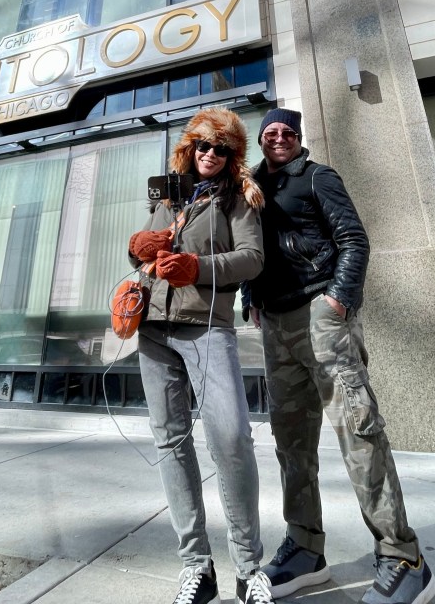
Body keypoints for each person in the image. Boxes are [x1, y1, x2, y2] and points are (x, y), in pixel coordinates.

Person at [245, 108, 435, 604]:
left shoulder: (317, 177)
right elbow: (253, 249)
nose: (281, 138)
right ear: (261, 140)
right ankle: (306, 549)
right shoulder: (252, 188)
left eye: (288, 131)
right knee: (291, 441)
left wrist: (338, 300)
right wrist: (251, 299)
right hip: (276, 323)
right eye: (271, 132)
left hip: (319, 312)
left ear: (298, 137)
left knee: (358, 429)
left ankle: (404, 557)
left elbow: (354, 239)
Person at [127, 107, 273, 604]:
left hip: (207, 329)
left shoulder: (238, 199)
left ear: (233, 156)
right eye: (204, 146)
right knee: (170, 442)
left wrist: (198, 267)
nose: (211, 155)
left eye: (222, 149)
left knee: (231, 439)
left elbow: (252, 258)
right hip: (153, 329)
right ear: (191, 146)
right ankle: (197, 566)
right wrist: (137, 248)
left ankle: (249, 567)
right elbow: (149, 255)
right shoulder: (168, 193)